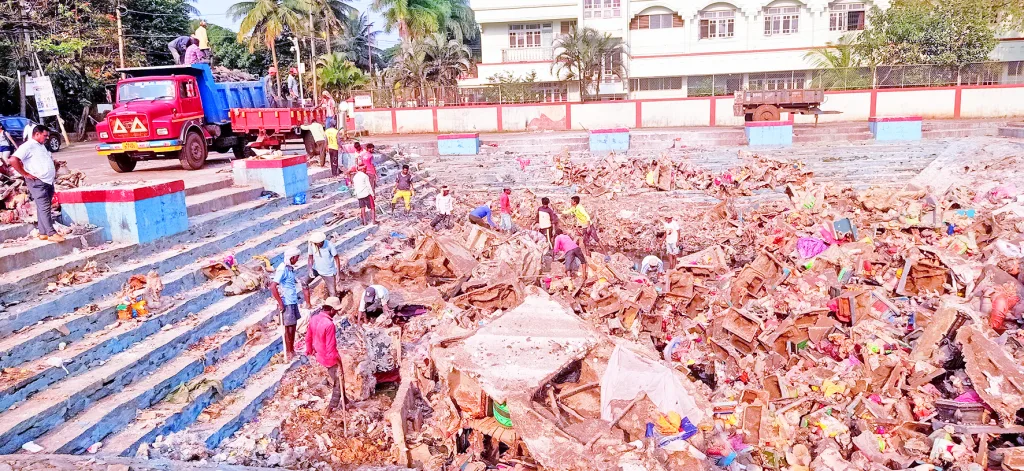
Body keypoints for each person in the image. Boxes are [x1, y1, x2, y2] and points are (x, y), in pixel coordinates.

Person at [9, 125, 63, 242]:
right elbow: (13, 160)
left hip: (47, 181)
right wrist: (25, 174)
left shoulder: (41, 146)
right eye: (45, 135)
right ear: (37, 134)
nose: (47, 138)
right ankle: (51, 233)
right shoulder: (28, 146)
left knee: (43, 206)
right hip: (37, 181)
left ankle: (43, 232)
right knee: (44, 206)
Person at [271, 247, 312, 359]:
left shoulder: (289, 269)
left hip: (292, 300)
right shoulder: (282, 269)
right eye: (296, 258)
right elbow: (273, 286)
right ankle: (289, 351)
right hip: (287, 302)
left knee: (293, 326)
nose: (297, 260)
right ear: (292, 258)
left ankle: (292, 349)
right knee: (288, 327)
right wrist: (280, 303)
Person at [306, 296, 345, 412]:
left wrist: (309, 350)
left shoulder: (314, 318)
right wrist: (339, 364)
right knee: (339, 381)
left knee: (338, 380)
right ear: (332, 310)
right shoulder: (329, 325)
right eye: (336, 311)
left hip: (319, 355)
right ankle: (331, 407)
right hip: (328, 358)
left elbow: (308, 337)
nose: (336, 313)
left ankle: (345, 400)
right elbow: (331, 348)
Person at [307, 231, 341, 298]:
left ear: (321, 242)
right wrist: (310, 270)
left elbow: (337, 259)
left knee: (333, 293)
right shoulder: (312, 244)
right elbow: (310, 257)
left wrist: (338, 274)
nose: (316, 245)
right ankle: (308, 304)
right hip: (316, 268)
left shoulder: (329, 245)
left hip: (329, 272)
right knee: (304, 282)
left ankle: (334, 306)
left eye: (318, 243)